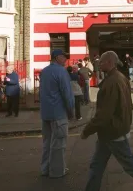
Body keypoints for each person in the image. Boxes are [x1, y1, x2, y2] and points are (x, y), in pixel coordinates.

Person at [81, 51, 133, 191]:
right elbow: (129, 104)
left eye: (102, 62)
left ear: (110, 62)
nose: (99, 64)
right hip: (111, 131)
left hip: (113, 131)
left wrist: (88, 130)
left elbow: (104, 114)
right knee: (96, 165)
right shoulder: (120, 78)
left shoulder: (111, 82)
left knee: (131, 165)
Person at [40, 49, 75, 178]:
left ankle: (45, 169)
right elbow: (67, 94)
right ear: (56, 57)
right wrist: (71, 111)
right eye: (63, 57)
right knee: (59, 144)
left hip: (46, 113)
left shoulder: (44, 71)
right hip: (58, 112)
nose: (65, 59)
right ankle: (57, 171)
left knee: (47, 143)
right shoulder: (61, 71)